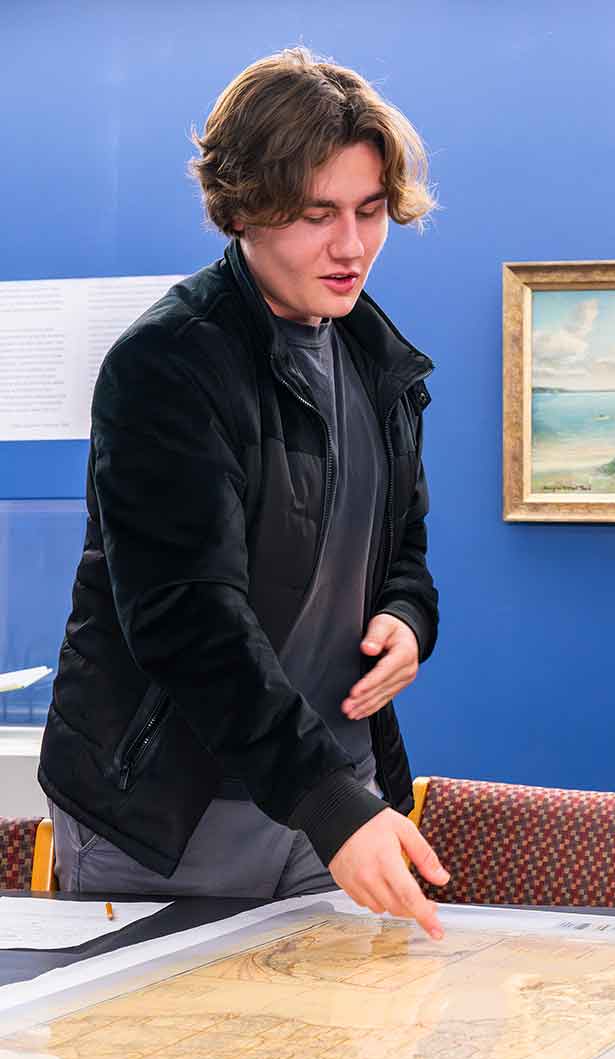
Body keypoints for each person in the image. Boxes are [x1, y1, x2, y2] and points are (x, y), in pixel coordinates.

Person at [38, 48, 450, 937]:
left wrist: (409, 617)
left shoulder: (377, 356)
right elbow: (188, 620)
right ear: (245, 210)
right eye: (317, 215)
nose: (351, 246)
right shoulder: (168, 365)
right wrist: (330, 801)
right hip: (173, 813)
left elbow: (402, 547)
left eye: (371, 211)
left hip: (330, 792)